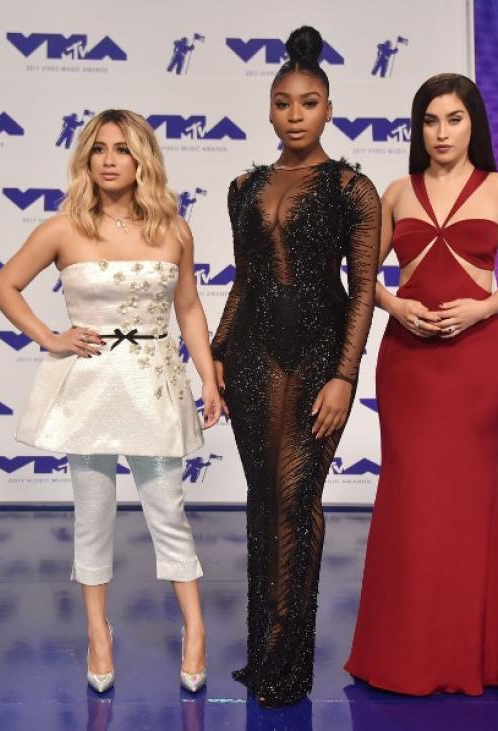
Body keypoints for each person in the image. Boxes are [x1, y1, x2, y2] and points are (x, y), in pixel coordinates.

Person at [0, 109, 222, 694]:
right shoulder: (63, 227)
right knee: (91, 516)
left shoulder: (174, 228)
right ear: (86, 159)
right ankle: (98, 632)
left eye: (122, 148)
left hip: (154, 383)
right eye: (99, 149)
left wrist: (210, 378)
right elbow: (2, 285)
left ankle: (195, 630)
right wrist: (49, 336)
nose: (110, 158)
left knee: (168, 510)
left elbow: (188, 309)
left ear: (142, 158)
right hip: (88, 386)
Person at [210, 26, 380, 707]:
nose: (294, 114)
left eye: (308, 103)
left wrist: (345, 375)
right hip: (250, 357)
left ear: (328, 109)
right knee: (263, 503)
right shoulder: (243, 185)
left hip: (318, 358)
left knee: (296, 498)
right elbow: (242, 281)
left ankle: (291, 661)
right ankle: (262, 655)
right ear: (271, 108)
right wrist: (216, 358)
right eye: (283, 102)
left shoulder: (352, 188)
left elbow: (364, 291)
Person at [345, 73, 498, 695]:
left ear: (473, 122)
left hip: (475, 362)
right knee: (410, 502)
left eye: (453, 119)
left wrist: (478, 310)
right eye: (430, 120)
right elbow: (364, 278)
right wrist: (396, 308)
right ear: (417, 127)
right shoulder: (396, 191)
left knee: (467, 504)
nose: (442, 132)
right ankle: (402, 654)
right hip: (409, 364)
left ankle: (467, 655)